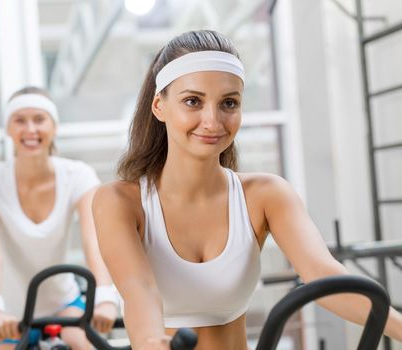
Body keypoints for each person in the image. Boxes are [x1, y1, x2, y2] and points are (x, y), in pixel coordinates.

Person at [92, 30, 402, 349]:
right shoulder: (118, 201)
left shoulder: (267, 194)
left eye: (228, 103)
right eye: (192, 101)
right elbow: (138, 289)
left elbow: (324, 275)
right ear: (159, 106)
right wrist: (149, 342)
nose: (212, 121)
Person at [0, 86, 120, 350]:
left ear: (54, 126)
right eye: (20, 120)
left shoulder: (78, 176)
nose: (30, 129)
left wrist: (105, 296)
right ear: (8, 129)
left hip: (62, 303)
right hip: (7, 311)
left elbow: (93, 241)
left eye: (39, 119)